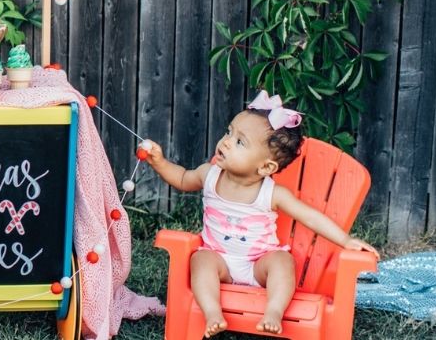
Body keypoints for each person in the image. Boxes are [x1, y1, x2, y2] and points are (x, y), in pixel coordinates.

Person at [141, 90, 379, 337]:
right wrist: (159, 162)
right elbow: (181, 177)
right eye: (229, 132)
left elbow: (310, 217)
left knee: (282, 262)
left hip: (258, 264)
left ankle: (274, 311)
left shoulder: (272, 194)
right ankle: (212, 313)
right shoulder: (208, 174)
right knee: (200, 261)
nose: (226, 142)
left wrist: (346, 241)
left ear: (266, 167)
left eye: (239, 142)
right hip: (219, 259)